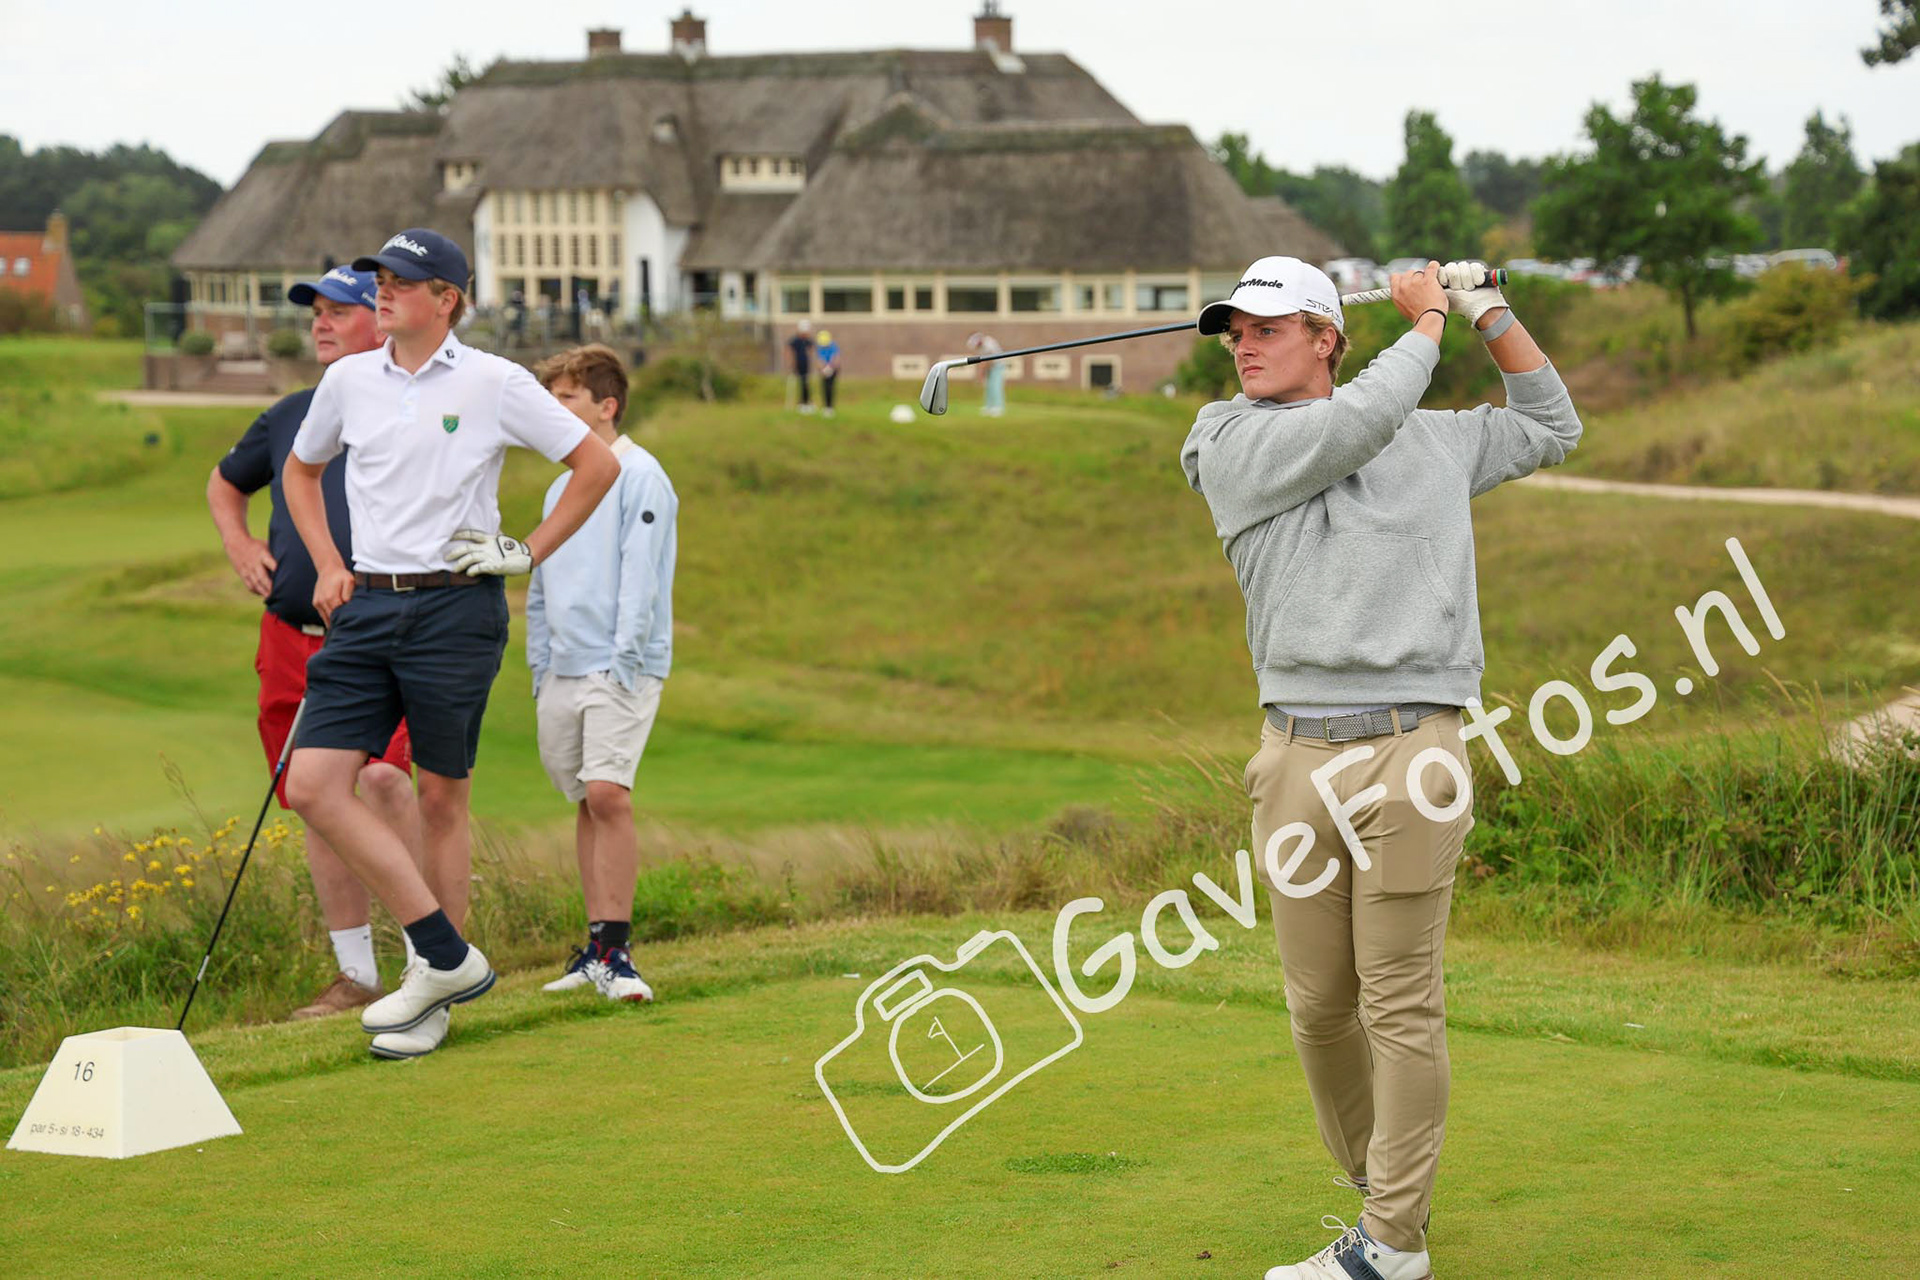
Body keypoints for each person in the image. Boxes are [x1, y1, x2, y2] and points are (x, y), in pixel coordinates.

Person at [1180, 257, 1582, 1280]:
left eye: (1268, 325)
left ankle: (1393, 1239)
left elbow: (1549, 423)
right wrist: (1428, 321)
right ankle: (1384, 1194)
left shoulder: (1433, 439)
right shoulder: (1227, 440)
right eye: (1235, 328)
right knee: (1318, 1002)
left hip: (1416, 749)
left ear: (1326, 333)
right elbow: (1352, 426)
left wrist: (1485, 307)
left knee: (1397, 996)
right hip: (1294, 756)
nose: (1244, 341)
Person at [282, 228, 620, 1060]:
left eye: (403, 280)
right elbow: (300, 470)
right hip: (365, 606)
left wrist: (527, 551)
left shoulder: (493, 381)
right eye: (380, 279)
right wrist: (327, 562)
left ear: (447, 298)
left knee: (440, 798)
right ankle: (442, 954)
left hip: (455, 610)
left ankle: (431, 1003)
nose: (384, 290)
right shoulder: (348, 380)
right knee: (314, 787)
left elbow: (595, 466)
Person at [205, 265, 423, 1021]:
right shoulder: (289, 414)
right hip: (289, 639)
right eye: (317, 314)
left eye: (341, 311)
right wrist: (237, 544)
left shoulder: (411, 408)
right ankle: (356, 975)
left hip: (379, 637)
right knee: (317, 801)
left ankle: (430, 956)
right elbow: (226, 482)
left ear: (383, 320)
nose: (322, 324)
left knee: (385, 784)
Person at [528, 344, 677, 1003]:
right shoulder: (560, 486)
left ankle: (617, 954)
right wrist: (539, 663)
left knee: (609, 794)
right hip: (562, 665)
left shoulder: (641, 476)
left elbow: (640, 578)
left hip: (623, 665)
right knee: (586, 800)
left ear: (605, 406)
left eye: (565, 398)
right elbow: (539, 579)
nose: (552, 410)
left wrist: (623, 659)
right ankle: (594, 948)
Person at [967, 332, 1005, 415]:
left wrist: (982, 374)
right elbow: (983, 362)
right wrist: (982, 374)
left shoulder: (989, 343)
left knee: (995, 386)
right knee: (988, 387)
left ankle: (998, 408)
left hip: (997, 365)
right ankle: (989, 407)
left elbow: (989, 361)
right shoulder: (980, 347)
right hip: (990, 366)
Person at [788, 320, 815, 413]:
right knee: (801, 383)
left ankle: (807, 402)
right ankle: (801, 403)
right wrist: (792, 363)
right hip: (797, 365)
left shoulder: (808, 341)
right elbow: (789, 351)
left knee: (806, 383)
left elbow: (812, 349)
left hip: (806, 365)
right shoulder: (795, 340)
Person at [814, 328, 840, 418]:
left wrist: (831, 368)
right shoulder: (819, 347)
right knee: (824, 387)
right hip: (823, 369)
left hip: (833, 369)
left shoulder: (833, 346)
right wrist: (823, 369)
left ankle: (830, 407)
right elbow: (819, 359)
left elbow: (836, 358)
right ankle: (825, 407)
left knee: (830, 388)